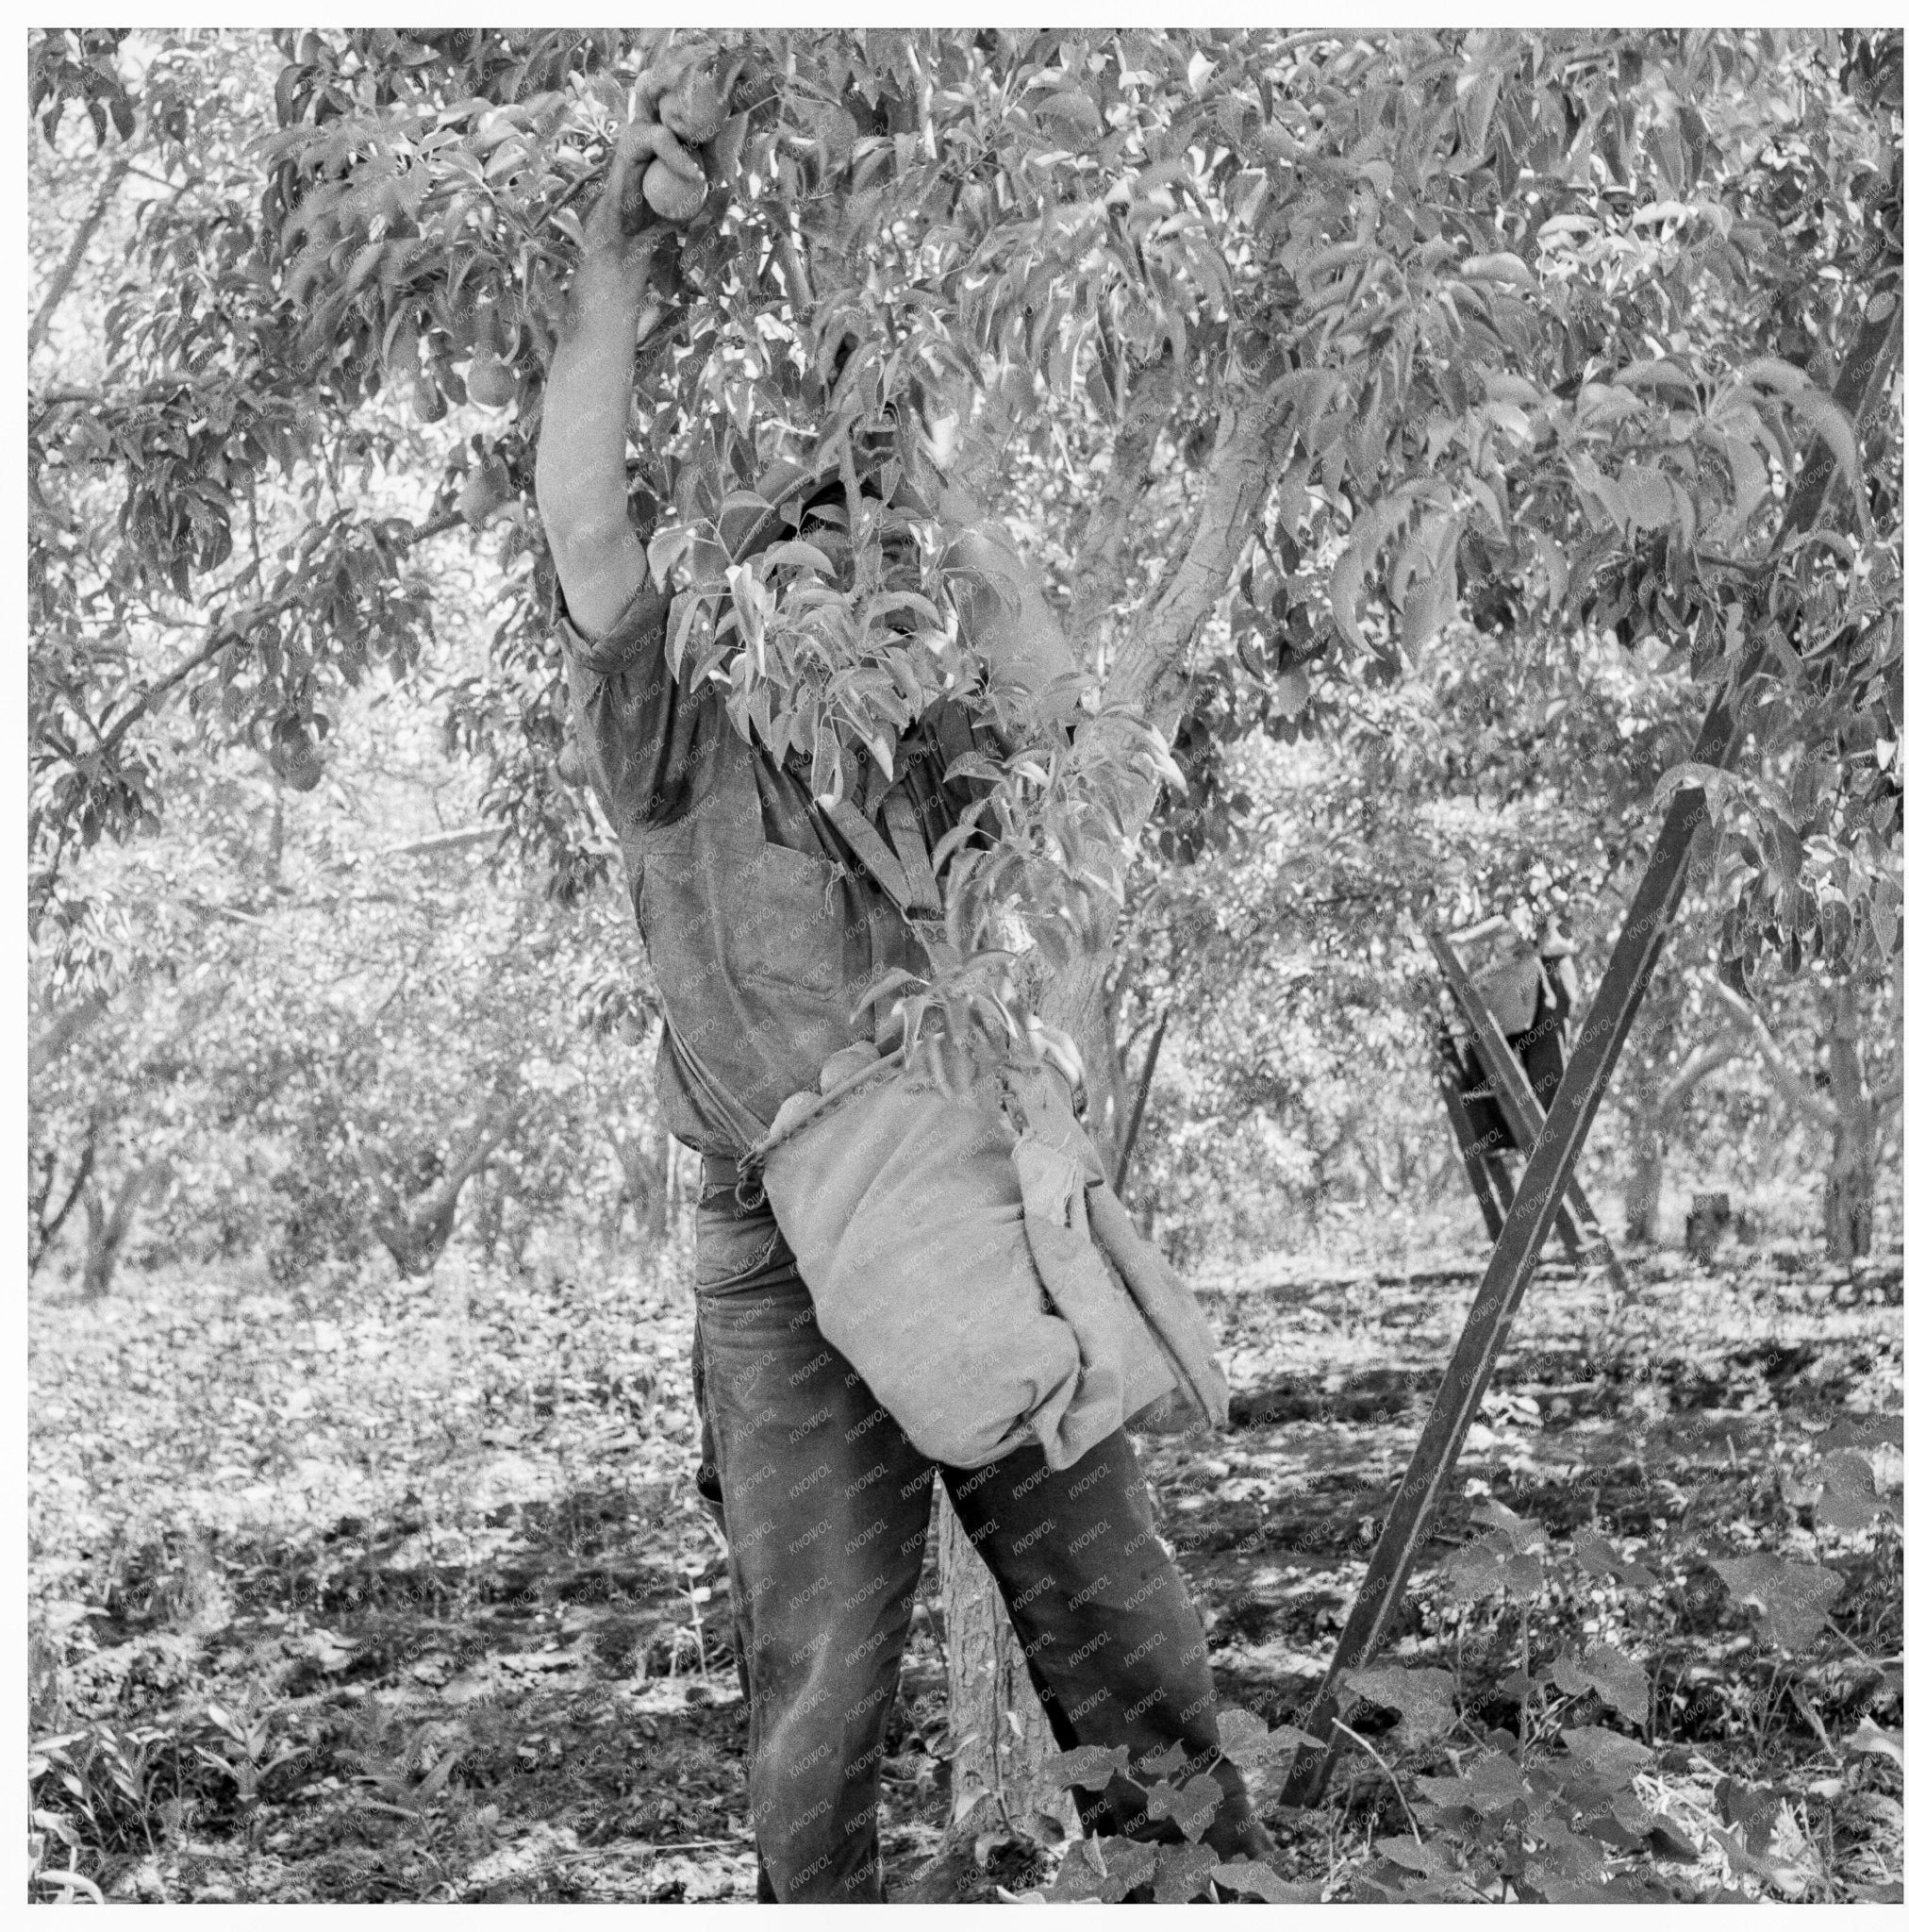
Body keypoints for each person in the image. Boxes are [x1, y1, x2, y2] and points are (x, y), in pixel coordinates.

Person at [534, 114, 1270, 1903]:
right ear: (749, 597)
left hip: (948, 1179)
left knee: (1110, 1609)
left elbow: (1069, 711)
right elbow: (583, 515)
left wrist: (913, 442)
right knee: (824, 1671)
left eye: (864, 564)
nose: (832, 591)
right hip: (773, 1237)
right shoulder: (672, 718)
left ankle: (1204, 1889)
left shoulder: (943, 748)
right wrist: (617, 269)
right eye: (801, 562)